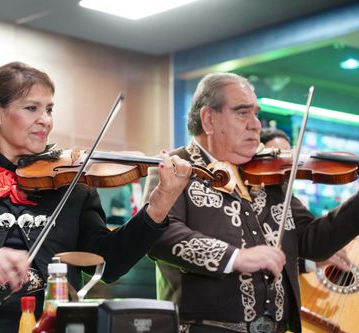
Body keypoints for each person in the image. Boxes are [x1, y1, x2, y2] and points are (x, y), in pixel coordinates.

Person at [0, 61, 193, 333]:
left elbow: (108, 263)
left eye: (49, 109)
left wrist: (159, 205)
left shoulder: (72, 188)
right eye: (31, 108)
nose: (45, 120)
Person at [144, 73, 359, 333]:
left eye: (255, 114)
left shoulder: (269, 175)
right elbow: (157, 235)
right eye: (242, 113)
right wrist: (235, 257)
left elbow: (313, 242)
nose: (256, 124)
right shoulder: (174, 167)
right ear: (209, 119)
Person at [259, 127, 351, 273]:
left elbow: (312, 237)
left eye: (288, 155)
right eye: (275, 154)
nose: (285, 163)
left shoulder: (285, 195)